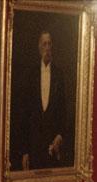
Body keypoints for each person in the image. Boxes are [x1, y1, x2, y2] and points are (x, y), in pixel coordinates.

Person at [18, 31, 66, 170]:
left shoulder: (59, 75)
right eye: (44, 44)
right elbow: (24, 114)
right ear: (39, 47)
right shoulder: (31, 75)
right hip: (34, 144)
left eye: (49, 44)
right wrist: (24, 151)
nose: (47, 47)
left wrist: (60, 135)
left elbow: (63, 110)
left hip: (53, 145)